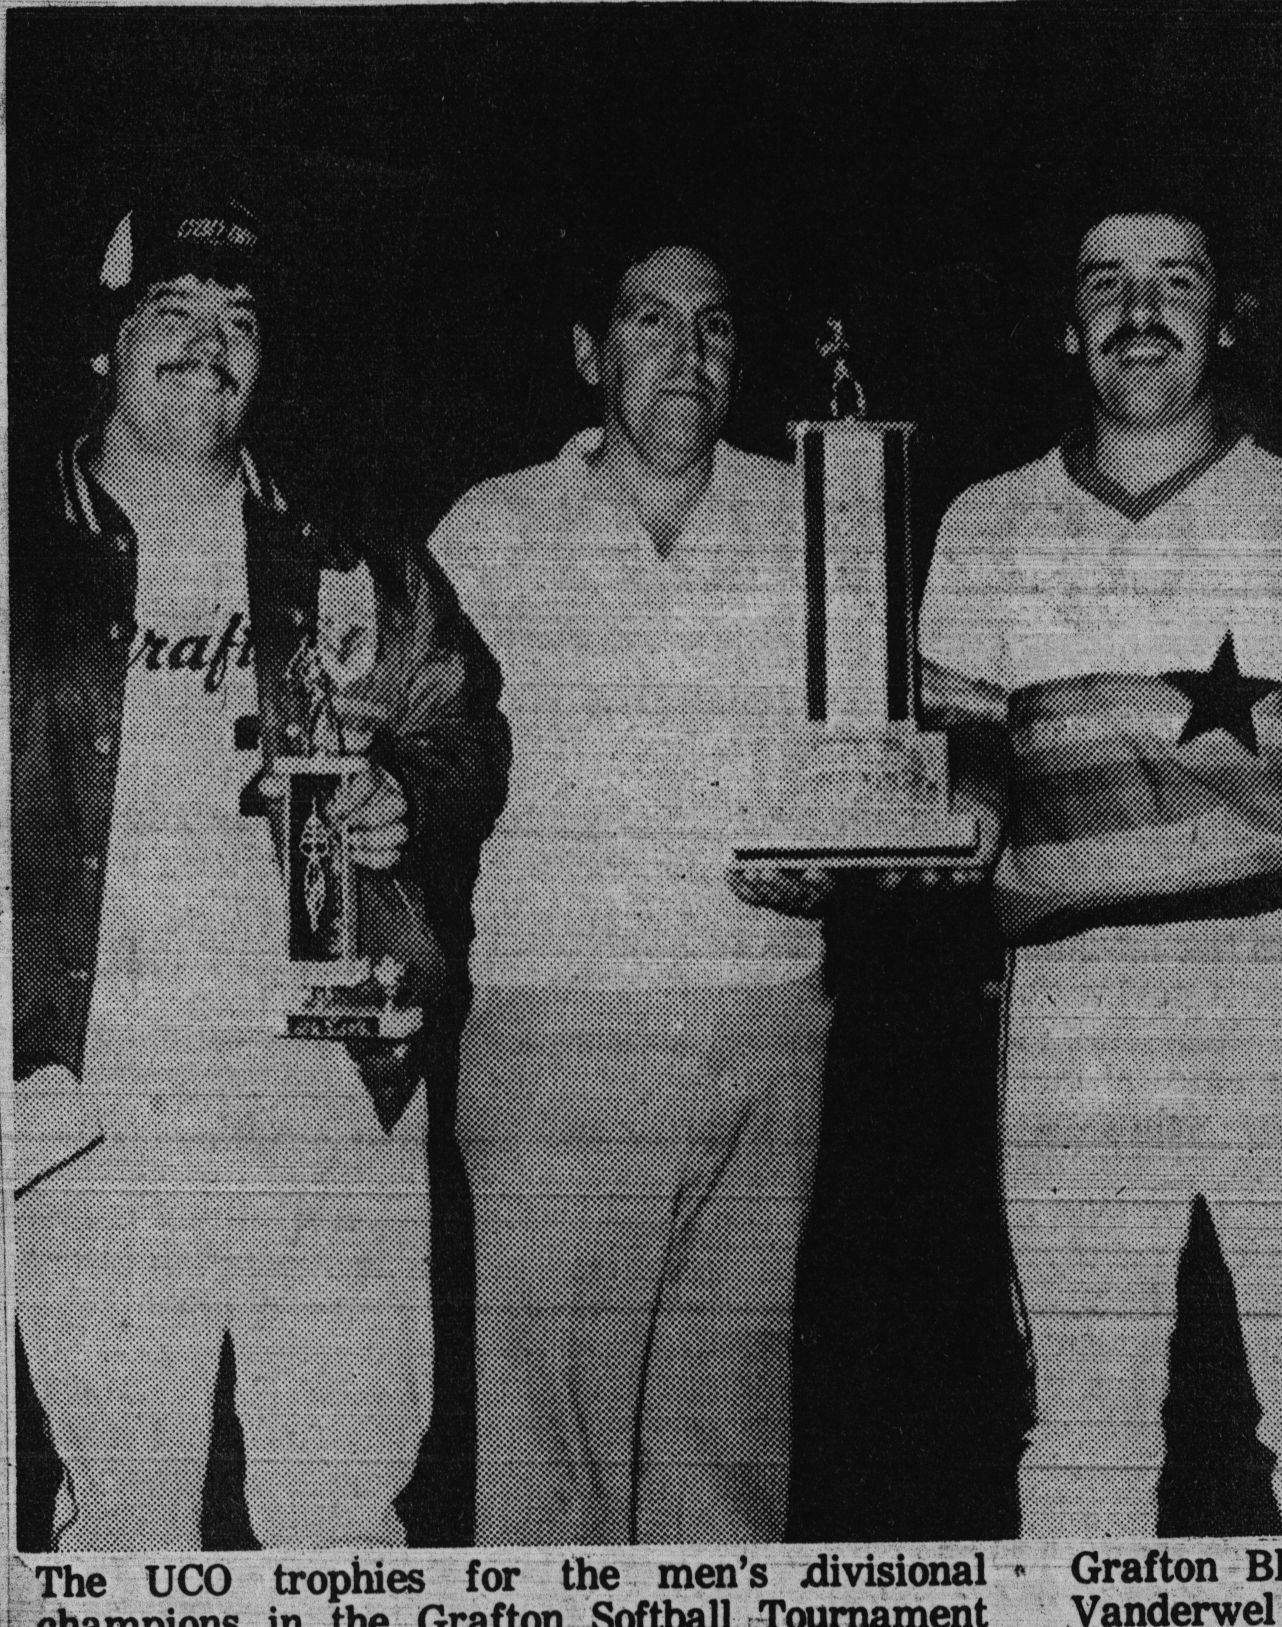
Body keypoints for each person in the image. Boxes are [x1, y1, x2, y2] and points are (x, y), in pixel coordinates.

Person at [914, 192, 1282, 1535]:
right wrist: (955, 810)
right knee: (1085, 1423)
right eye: (1107, 284)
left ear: (1228, 315)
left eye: (1176, 280)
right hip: (1074, 1001)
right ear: (1068, 323)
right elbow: (959, 763)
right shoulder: (986, 525)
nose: (1141, 313)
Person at [10, 194, 508, 1549]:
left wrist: (412, 796)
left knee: (344, 1504)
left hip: (328, 1077)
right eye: (172, 311)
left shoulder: (344, 556)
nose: (208, 346)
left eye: (239, 320)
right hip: (99, 1087)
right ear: (104, 346)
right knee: (123, 1511)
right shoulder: (19, 558)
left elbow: (462, 728)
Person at [431, 223, 827, 1544]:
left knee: (728, 1452)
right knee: (556, 1470)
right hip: (565, 1031)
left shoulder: (816, 513)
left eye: (713, 324)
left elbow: (874, 755)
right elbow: (418, 765)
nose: (686, 351)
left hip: (768, 1018)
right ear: (590, 353)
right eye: (650, 321)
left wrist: (854, 858)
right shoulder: (490, 529)